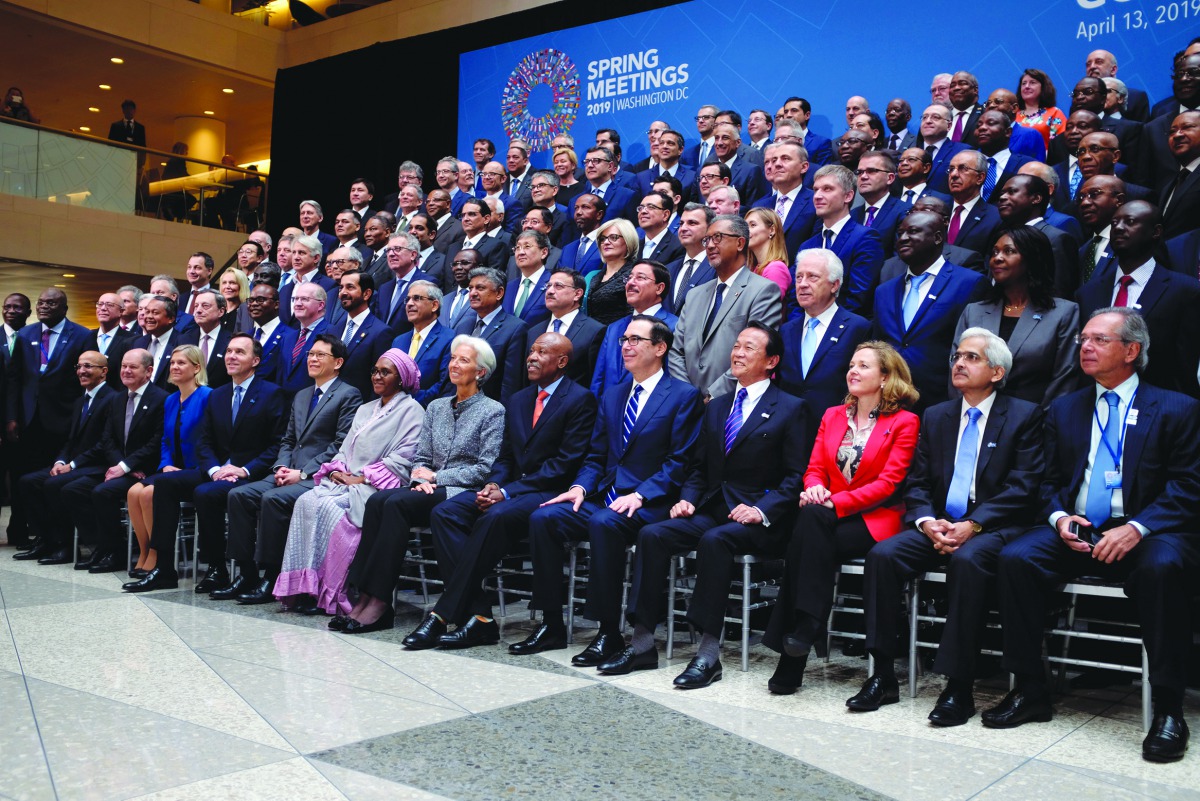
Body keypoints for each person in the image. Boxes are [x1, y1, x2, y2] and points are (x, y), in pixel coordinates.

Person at [987, 309, 1200, 764]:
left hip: (1146, 530)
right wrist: (1060, 517)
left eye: (1100, 340)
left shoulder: (1178, 408)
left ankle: (1167, 710)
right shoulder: (1065, 407)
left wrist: (1137, 527)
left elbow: (1188, 487)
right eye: (1084, 339)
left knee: (1165, 569)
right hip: (1079, 527)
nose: (1085, 346)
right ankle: (1030, 689)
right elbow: (1044, 483)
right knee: (1016, 559)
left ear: (1131, 351)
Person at [857, 329, 1043, 723]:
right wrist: (926, 522)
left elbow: (1022, 488)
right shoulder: (938, 415)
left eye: (972, 358)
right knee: (882, 556)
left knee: (968, 562)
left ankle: (959, 687)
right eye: (957, 356)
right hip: (940, 522)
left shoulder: (1025, 415)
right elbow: (918, 481)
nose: (959, 363)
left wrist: (973, 525)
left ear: (996, 372)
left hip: (995, 526)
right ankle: (883, 675)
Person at [610, 323, 809, 687]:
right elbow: (698, 467)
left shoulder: (791, 408)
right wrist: (686, 499)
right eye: (736, 346)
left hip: (761, 522)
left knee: (715, 541)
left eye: (749, 348)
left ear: (771, 361)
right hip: (714, 509)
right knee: (653, 534)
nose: (738, 353)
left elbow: (796, 477)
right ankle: (641, 643)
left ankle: (708, 654)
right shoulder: (717, 407)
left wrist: (762, 509)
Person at [522, 317, 702, 668]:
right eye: (624, 339)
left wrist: (641, 495)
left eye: (636, 339)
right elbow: (595, 455)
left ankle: (608, 632)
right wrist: (579, 487)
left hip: (651, 503)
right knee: (544, 517)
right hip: (606, 495)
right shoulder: (614, 393)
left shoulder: (683, 396)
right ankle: (552, 623)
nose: (626, 346)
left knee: (606, 523)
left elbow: (679, 461)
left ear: (660, 348)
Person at [762, 341, 920, 694]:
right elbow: (815, 467)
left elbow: (889, 485)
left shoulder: (905, 422)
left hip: (875, 520)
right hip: (827, 517)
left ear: (885, 377)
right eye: (851, 364)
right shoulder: (833, 415)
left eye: (864, 366)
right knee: (811, 525)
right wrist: (815, 488)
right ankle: (805, 629)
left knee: (805, 539)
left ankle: (796, 653)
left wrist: (834, 502)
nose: (853, 370)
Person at [342, 336, 505, 634]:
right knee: (379, 501)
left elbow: (484, 468)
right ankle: (364, 595)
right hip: (428, 487)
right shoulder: (436, 407)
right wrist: (419, 477)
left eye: (464, 360)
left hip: (461, 490)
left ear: (480, 372)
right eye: (453, 358)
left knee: (396, 503)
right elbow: (421, 457)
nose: (455, 364)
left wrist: (436, 478)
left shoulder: (493, 410)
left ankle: (378, 603)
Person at [275, 349, 424, 615]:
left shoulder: (412, 411)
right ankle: (305, 589)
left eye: (385, 372)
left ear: (401, 379)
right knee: (306, 502)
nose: (377, 376)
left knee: (332, 511)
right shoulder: (365, 409)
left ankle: (331, 593)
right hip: (345, 481)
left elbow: (404, 460)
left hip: (376, 487)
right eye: (375, 371)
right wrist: (336, 472)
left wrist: (361, 477)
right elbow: (344, 449)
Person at [216, 334, 362, 604]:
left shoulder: (348, 394)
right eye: (310, 354)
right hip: (287, 471)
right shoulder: (302, 395)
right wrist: (282, 466)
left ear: (338, 362)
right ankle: (245, 574)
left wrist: (303, 473)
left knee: (273, 500)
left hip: (318, 476)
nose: (312, 359)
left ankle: (271, 577)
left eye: (320, 355)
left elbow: (340, 445)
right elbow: (288, 439)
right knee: (238, 495)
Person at [1076, 200, 1200, 399]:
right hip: (1096, 400)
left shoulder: (1185, 291)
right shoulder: (1088, 292)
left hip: (1161, 406)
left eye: (1130, 221)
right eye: (1114, 223)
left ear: (1156, 232)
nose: (1118, 228)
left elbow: (1185, 364)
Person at [64, 349, 168, 573]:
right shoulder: (118, 398)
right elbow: (108, 439)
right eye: (123, 366)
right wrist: (120, 465)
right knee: (74, 490)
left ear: (149, 371)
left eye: (133, 367)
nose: (126, 371)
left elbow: (156, 442)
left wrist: (126, 466)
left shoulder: (161, 398)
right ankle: (100, 547)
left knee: (103, 492)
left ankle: (116, 551)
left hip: (146, 470)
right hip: (120, 468)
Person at [872, 211, 985, 411]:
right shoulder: (884, 291)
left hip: (942, 401)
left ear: (938, 238)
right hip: (891, 400)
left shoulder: (969, 283)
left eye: (913, 231)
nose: (903, 238)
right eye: (900, 233)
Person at [955, 227, 1082, 406]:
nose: (997, 258)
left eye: (1009, 251)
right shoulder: (973, 311)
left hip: (1034, 424)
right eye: (994, 252)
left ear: (1032, 259)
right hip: (975, 420)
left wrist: (1039, 425)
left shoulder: (1064, 313)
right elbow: (957, 371)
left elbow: (1064, 378)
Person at [5, 288, 91, 549]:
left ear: (64, 308)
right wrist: (11, 417)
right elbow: (14, 378)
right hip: (28, 421)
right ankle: (30, 535)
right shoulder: (28, 333)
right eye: (41, 303)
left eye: (51, 303)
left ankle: (58, 537)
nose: (44, 307)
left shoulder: (82, 335)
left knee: (53, 481)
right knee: (24, 480)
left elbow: (85, 382)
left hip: (62, 420)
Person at [123, 345, 213, 589]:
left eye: (181, 363)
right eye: (172, 362)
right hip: (173, 470)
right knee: (133, 492)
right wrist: (166, 465)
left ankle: (157, 558)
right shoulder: (171, 399)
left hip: (199, 470)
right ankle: (144, 552)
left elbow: (210, 440)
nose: (174, 367)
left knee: (151, 492)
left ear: (196, 368)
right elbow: (164, 440)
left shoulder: (208, 397)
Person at [12, 352, 114, 565]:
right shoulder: (80, 401)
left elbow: (105, 444)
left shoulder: (112, 399)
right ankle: (45, 539)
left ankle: (65, 544)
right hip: (73, 464)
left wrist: (73, 465)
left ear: (103, 372)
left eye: (88, 366)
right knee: (28, 481)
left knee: (54, 484)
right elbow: (70, 441)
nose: (81, 371)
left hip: (97, 465)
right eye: (78, 366)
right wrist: (60, 462)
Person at [668, 215, 782, 400]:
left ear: (740, 243)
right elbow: (676, 351)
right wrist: (686, 394)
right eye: (707, 239)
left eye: (718, 237)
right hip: (686, 405)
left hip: (730, 402)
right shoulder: (695, 294)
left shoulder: (763, 291)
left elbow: (755, 353)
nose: (710, 245)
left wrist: (713, 396)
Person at [778, 249, 872, 429]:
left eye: (812, 277)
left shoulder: (858, 328)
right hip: (787, 431)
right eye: (798, 277)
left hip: (835, 431)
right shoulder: (786, 331)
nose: (802, 284)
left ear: (834, 285)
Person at [800, 165, 884, 317]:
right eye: (815, 189)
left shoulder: (866, 238)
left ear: (848, 196)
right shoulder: (807, 245)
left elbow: (858, 297)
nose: (817, 196)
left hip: (844, 329)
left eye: (827, 189)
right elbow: (796, 298)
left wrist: (824, 324)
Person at [585, 218, 638, 325]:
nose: (606, 242)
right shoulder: (593, 276)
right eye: (602, 239)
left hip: (617, 337)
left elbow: (632, 314)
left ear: (628, 241)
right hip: (590, 337)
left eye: (613, 237)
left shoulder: (635, 274)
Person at [744, 208, 792, 300]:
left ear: (772, 230)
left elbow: (766, 310)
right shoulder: (754, 268)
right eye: (745, 227)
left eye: (753, 225)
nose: (746, 231)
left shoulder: (776, 269)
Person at [1015, 68, 1066, 150]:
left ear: (1043, 87)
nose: (1027, 86)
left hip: (1044, 161)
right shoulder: (1013, 114)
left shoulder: (1054, 113)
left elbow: (1059, 147)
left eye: (1032, 83)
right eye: (1023, 83)